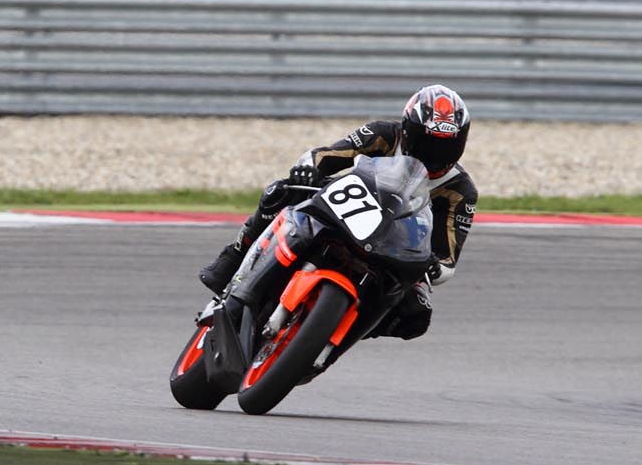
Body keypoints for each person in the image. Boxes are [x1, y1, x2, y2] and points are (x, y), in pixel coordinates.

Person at [198, 84, 477, 340]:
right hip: (347, 208)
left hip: (395, 246)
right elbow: (325, 156)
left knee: (416, 313)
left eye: (447, 145)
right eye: (428, 142)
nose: (436, 154)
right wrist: (308, 169)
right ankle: (233, 262)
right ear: (406, 130)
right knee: (279, 192)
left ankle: (333, 334)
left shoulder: (461, 190)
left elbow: (447, 259)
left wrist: (434, 267)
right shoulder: (383, 134)